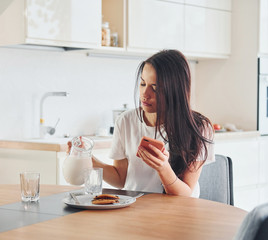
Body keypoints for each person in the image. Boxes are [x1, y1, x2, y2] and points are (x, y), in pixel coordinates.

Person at [91, 49, 215, 197]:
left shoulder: (199, 128)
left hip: (177, 213)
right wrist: (89, 161)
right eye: (143, 84)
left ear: (176, 91)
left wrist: (163, 168)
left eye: (155, 88)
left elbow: (185, 195)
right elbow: (121, 179)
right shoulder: (125, 121)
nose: (145, 94)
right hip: (135, 209)